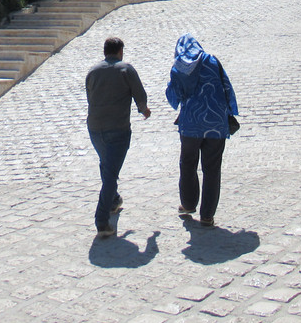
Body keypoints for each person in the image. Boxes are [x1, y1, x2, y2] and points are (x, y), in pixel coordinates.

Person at [165, 33, 238, 227]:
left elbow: (173, 96)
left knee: (188, 164)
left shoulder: (179, 66)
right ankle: (207, 215)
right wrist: (231, 111)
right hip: (215, 123)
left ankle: (188, 204)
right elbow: (226, 87)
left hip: (190, 124)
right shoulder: (212, 60)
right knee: (212, 168)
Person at [85, 36, 151, 237]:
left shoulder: (92, 71)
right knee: (110, 175)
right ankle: (102, 222)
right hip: (118, 129)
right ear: (120, 51)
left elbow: (90, 96)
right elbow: (140, 94)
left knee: (107, 165)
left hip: (95, 128)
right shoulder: (126, 69)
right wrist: (144, 110)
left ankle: (113, 200)